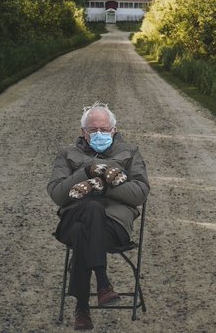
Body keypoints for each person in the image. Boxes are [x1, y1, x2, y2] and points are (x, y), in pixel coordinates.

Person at [48, 102, 150, 331]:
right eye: (93, 130)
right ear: (83, 132)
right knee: (90, 211)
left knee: (85, 224)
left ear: (114, 130)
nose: (99, 134)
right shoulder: (67, 154)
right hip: (72, 220)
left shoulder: (130, 152)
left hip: (113, 227)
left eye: (104, 129)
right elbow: (57, 194)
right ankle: (102, 282)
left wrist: (102, 187)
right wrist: (86, 172)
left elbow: (140, 193)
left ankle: (82, 308)